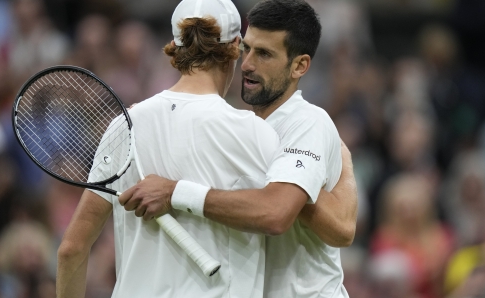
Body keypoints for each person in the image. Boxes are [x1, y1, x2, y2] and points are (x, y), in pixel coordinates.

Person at [119, 0, 358, 297]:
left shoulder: (307, 122)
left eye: (265, 54)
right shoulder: (236, 124)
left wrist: (174, 193)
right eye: (247, 48)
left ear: (300, 65)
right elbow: (340, 226)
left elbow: (279, 213)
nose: (246, 64)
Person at [57, 0, 282, 297]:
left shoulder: (126, 125)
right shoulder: (255, 132)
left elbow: (71, 249)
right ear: (237, 45)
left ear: (175, 48)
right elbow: (281, 219)